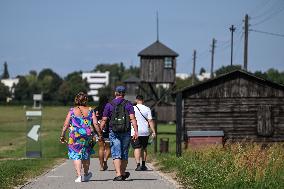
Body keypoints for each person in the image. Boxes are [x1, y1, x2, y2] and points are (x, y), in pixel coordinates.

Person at [60, 92, 102, 183]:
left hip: (74, 135)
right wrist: (99, 134)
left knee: (76, 155)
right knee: (86, 154)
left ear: (76, 100)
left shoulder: (72, 110)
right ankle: (86, 174)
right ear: (86, 100)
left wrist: (62, 135)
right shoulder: (90, 110)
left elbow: (66, 124)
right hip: (87, 134)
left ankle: (79, 176)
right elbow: (95, 123)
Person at [100, 86, 138, 181]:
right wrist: (136, 131)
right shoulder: (128, 104)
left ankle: (118, 174)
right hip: (126, 131)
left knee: (116, 153)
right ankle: (123, 172)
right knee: (124, 153)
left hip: (114, 131)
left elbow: (104, 120)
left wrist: (100, 131)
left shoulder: (109, 105)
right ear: (124, 94)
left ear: (115, 93)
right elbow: (132, 118)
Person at [131, 95, 156, 171]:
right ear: (143, 100)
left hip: (135, 131)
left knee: (137, 148)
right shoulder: (147, 109)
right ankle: (144, 165)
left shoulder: (132, 109)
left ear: (136, 100)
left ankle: (138, 165)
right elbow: (150, 121)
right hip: (145, 131)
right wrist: (153, 131)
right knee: (144, 148)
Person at [94, 95, 111, 171]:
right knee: (108, 148)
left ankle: (101, 166)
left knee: (101, 148)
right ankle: (105, 160)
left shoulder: (96, 109)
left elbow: (93, 121)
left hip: (98, 131)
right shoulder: (109, 108)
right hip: (108, 130)